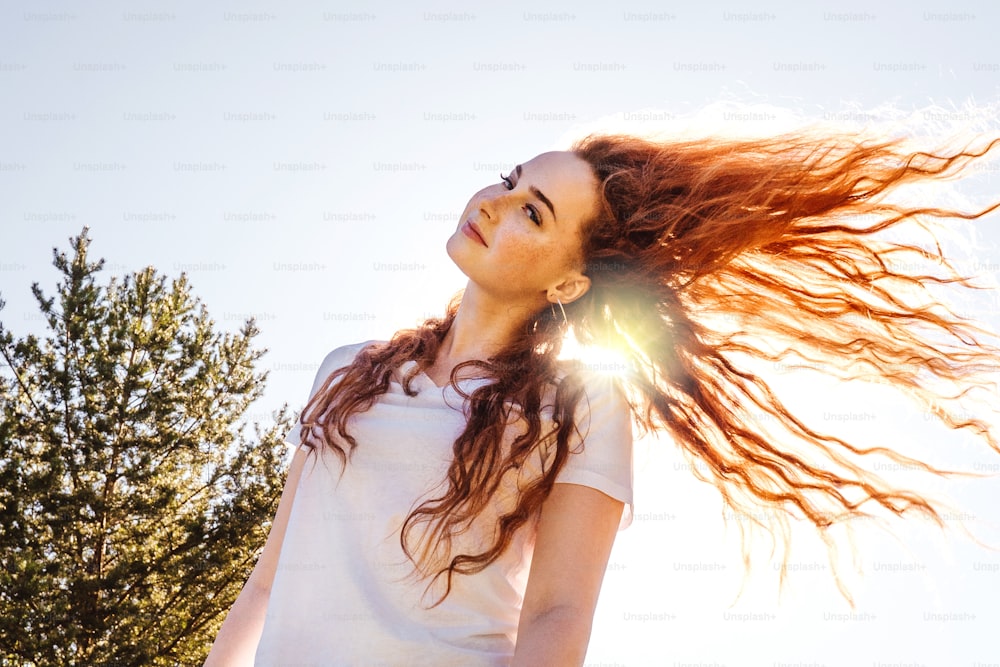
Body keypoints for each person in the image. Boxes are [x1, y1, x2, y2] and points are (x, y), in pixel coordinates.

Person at [205, 128, 1000, 666]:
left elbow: (557, 615)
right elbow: (272, 578)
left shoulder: (581, 407)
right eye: (511, 181)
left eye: (531, 212)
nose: (492, 201)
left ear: (569, 280)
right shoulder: (346, 370)